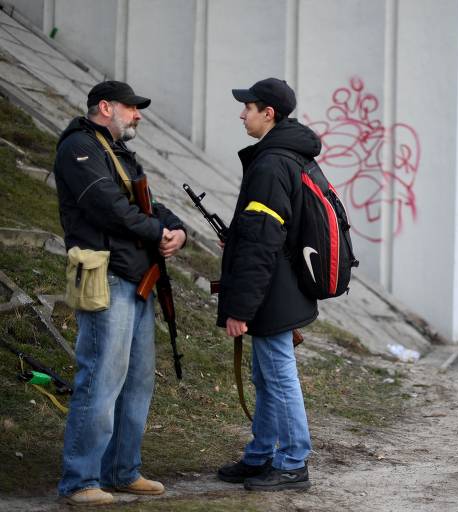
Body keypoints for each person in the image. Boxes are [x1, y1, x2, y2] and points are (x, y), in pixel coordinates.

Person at [54, 81, 187, 506]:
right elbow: (108, 206)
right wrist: (157, 231)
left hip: (136, 278)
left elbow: (147, 202)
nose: (138, 115)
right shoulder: (79, 147)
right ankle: (80, 480)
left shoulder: (117, 152)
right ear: (105, 107)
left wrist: (176, 230)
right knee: (100, 378)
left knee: (137, 381)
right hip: (107, 276)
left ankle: (121, 471)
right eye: (132, 108)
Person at [215, 78, 319, 491]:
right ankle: (261, 456)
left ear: (268, 113)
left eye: (249, 107)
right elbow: (269, 230)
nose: (243, 114)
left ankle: (294, 462)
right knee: (266, 377)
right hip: (282, 286)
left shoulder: (272, 163)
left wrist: (239, 308)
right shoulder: (289, 156)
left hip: (272, 292)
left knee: (278, 376)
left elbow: (262, 242)